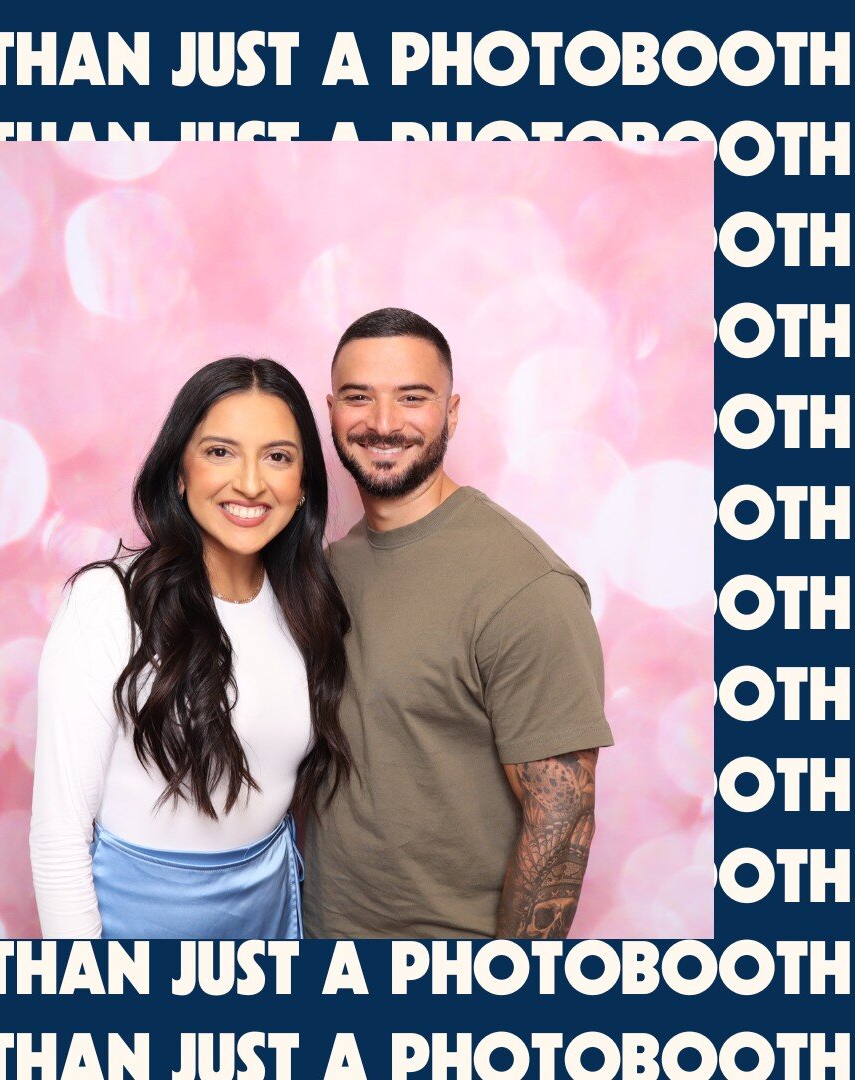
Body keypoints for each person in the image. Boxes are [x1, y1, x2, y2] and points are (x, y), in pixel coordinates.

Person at [303, 308, 614, 939]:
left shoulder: (527, 587)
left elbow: (561, 825)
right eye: (359, 398)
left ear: (451, 412)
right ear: (331, 410)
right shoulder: (332, 566)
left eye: (412, 398)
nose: (383, 423)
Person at [31, 358, 351, 939]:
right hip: (137, 926)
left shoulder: (307, 606)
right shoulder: (109, 600)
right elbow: (58, 838)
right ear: (179, 471)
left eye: (277, 457)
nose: (251, 483)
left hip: (271, 915)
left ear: (303, 484)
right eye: (220, 452)